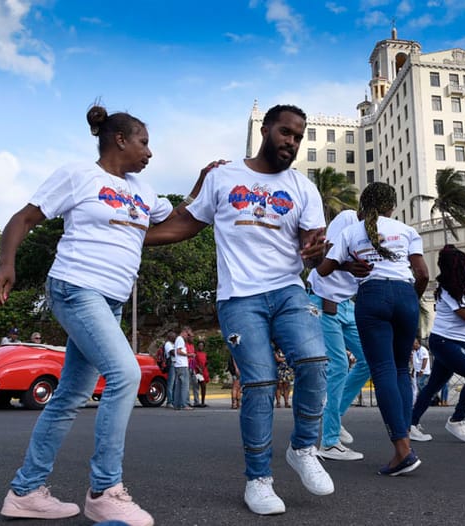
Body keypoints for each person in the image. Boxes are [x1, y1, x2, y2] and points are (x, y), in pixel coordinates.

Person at [0, 104, 206, 525]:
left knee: (69, 397)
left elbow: (175, 221)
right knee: (125, 374)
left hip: (110, 302)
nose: (150, 152)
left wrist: (202, 188)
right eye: (144, 142)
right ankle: (105, 491)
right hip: (75, 287)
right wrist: (5, 263)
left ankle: (26, 491)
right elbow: (23, 218)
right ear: (120, 139)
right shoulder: (78, 174)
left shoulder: (143, 191)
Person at [145, 104, 333, 516]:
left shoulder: (304, 188)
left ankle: (303, 449)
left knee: (317, 362)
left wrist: (316, 253)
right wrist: (133, 238)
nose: (292, 142)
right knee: (261, 383)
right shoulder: (224, 176)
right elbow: (185, 224)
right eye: (286, 132)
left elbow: (312, 251)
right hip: (239, 297)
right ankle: (258, 480)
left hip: (287, 291)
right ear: (265, 130)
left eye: (299, 137)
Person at [317, 181, 430, 476]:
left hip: (372, 297)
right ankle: (404, 440)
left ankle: (402, 449)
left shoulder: (351, 231)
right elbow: (423, 273)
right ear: (392, 206)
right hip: (406, 295)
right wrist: (408, 299)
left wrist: (348, 267)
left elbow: (322, 270)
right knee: (401, 369)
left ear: (364, 204)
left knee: (381, 371)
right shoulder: (407, 230)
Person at [411, 246, 465, 443]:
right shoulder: (449, 292)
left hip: (454, 343)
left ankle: (411, 423)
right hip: (445, 342)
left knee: (434, 385)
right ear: (459, 270)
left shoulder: (460, 292)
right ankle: (457, 420)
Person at [307, 208, 369, 461]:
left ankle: (334, 414)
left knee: (369, 360)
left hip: (346, 304)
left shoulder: (377, 235)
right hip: (324, 300)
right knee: (339, 365)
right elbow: (324, 258)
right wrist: (350, 267)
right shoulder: (348, 218)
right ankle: (329, 442)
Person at [173, 327, 194, 410]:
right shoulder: (180, 339)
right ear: (184, 332)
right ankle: (184, 404)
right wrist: (189, 355)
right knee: (185, 385)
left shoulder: (178, 339)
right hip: (182, 365)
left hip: (178, 365)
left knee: (178, 386)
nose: (188, 337)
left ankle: (177, 404)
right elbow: (179, 351)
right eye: (188, 334)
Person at [411, 339, 431, 404]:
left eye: (413, 345)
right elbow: (415, 362)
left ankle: (426, 398)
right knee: (418, 385)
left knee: (420, 384)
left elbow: (425, 360)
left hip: (423, 371)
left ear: (417, 344)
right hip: (417, 371)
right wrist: (413, 371)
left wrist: (422, 370)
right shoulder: (415, 351)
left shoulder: (423, 350)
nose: (412, 347)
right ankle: (422, 399)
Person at [192, 341, 209, 407]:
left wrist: (205, 366)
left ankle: (203, 402)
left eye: (202, 345)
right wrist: (198, 368)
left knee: (204, 387)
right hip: (197, 372)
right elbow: (194, 362)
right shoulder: (195, 353)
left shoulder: (205, 354)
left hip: (204, 371)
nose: (200, 347)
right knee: (200, 385)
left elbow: (206, 362)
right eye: (199, 345)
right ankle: (197, 401)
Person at [163, 331, 177, 408]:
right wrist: (178, 352)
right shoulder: (168, 344)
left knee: (175, 383)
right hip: (171, 364)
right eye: (173, 336)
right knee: (170, 383)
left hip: (175, 364)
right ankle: (169, 401)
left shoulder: (173, 344)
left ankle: (174, 400)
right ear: (170, 337)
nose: (175, 338)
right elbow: (172, 353)